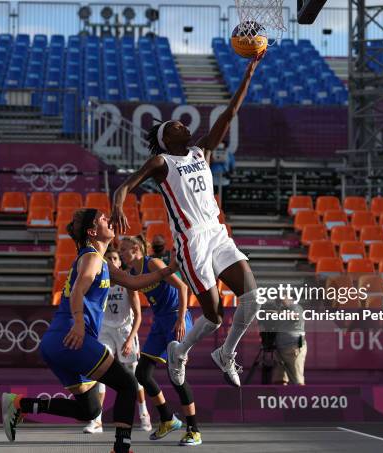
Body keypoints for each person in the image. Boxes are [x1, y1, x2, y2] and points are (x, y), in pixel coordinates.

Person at [110, 52, 265, 388]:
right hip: (191, 240)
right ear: (167, 139)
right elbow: (125, 185)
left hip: (217, 234)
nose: (182, 124)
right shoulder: (161, 162)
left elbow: (230, 113)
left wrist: (248, 74)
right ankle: (180, 351)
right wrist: (118, 204)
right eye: (175, 126)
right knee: (213, 314)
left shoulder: (201, 151)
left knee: (253, 299)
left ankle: (226, 353)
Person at [0, 209, 178, 453]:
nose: (110, 220)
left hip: (56, 342)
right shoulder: (92, 259)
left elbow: (135, 282)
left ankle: (21, 404)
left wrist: (170, 269)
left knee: (90, 410)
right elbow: (77, 292)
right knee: (127, 384)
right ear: (93, 232)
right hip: (72, 337)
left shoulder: (101, 262)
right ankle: (122, 448)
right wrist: (79, 323)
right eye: (104, 219)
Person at [120, 236, 202, 446]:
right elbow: (136, 309)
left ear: (136, 249)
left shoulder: (153, 263)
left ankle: (194, 430)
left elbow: (183, 288)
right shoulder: (130, 276)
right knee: (142, 373)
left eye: (124, 249)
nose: (120, 252)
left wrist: (181, 319)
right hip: (159, 323)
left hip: (176, 318)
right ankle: (167, 418)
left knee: (177, 376)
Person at [83, 247, 152, 434]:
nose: (112, 261)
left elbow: (138, 315)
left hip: (124, 331)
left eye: (115, 258)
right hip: (105, 331)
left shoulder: (127, 283)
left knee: (133, 373)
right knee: (101, 372)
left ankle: (144, 414)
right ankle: (97, 421)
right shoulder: (99, 283)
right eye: (108, 259)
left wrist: (130, 340)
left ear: (120, 262)